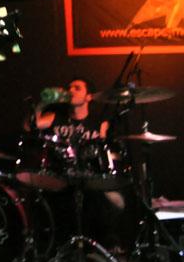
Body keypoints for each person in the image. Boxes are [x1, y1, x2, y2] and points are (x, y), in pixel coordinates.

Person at [33, 78, 128, 252]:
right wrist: (43, 104)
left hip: (91, 177)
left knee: (112, 200)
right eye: (69, 87)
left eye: (77, 88)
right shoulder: (55, 117)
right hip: (61, 176)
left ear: (88, 97)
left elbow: (107, 149)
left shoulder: (100, 122)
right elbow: (31, 125)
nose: (71, 90)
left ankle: (103, 246)